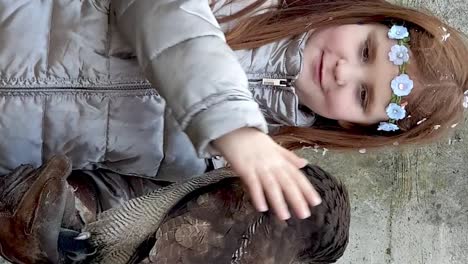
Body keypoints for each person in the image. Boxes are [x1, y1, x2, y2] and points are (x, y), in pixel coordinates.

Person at [0, 0, 466, 227]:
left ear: (352, 126)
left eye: (364, 97)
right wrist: (233, 125)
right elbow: (157, 9)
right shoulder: (247, 7)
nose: (345, 72)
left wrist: (76, 217)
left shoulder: (238, 166)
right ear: (358, 16)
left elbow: (112, 180)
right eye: (366, 50)